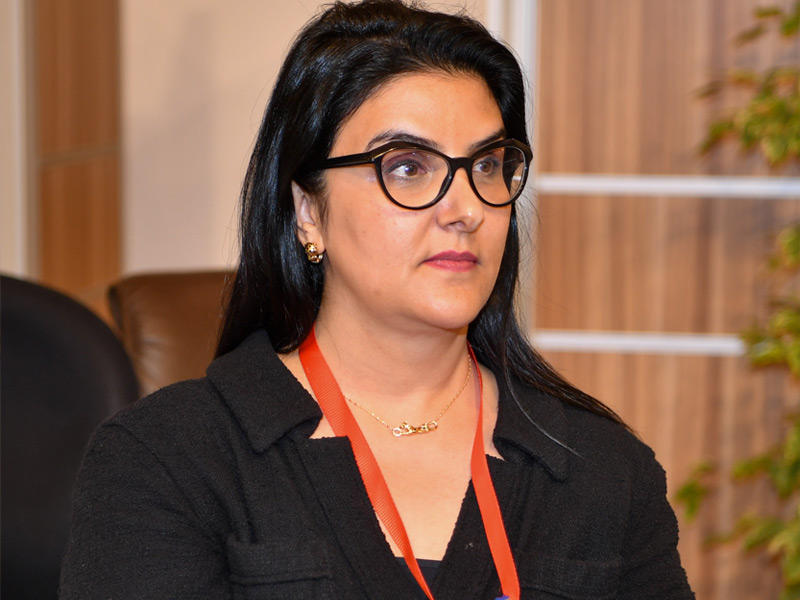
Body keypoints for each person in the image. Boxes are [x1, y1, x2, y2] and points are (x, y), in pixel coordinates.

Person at [59, 1, 695, 598]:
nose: (465, 209)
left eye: (487, 165)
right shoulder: (168, 460)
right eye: (408, 166)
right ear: (308, 211)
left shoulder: (603, 470)